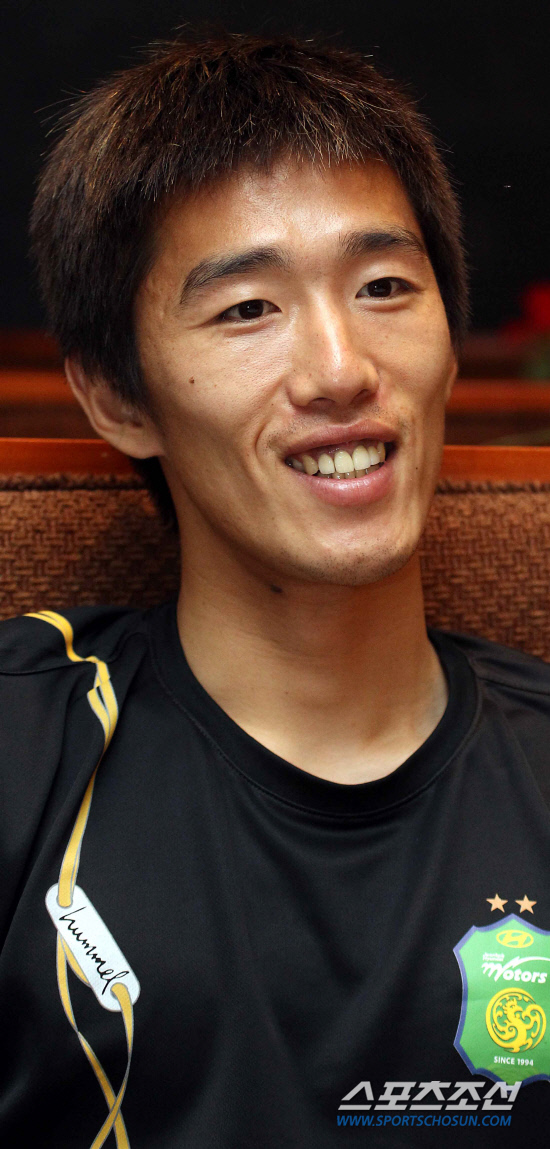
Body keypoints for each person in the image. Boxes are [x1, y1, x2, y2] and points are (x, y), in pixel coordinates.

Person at [1, 31, 549, 1148]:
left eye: (385, 287)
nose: (342, 370)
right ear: (117, 399)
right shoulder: (24, 750)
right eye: (248, 308)